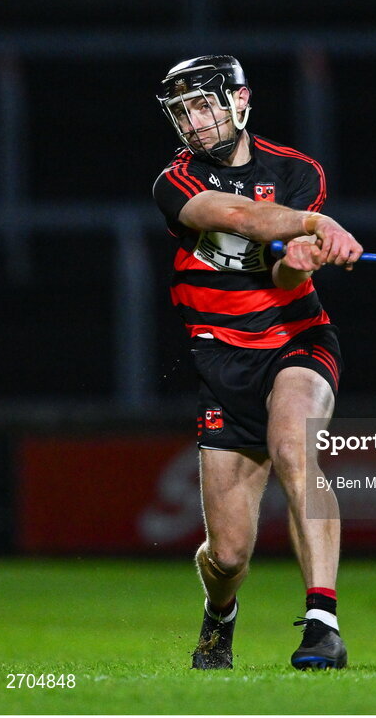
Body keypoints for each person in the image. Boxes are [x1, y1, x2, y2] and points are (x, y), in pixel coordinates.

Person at [152, 54, 362, 671]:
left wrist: (302, 254)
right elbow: (240, 218)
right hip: (222, 363)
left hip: (298, 340)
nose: (193, 122)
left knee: (296, 445)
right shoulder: (176, 182)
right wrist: (316, 224)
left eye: (204, 105)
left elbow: (280, 271)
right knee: (229, 556)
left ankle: (322, 622)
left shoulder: (297, 171)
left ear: (241, 101)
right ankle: (220, 617)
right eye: (183, 111)